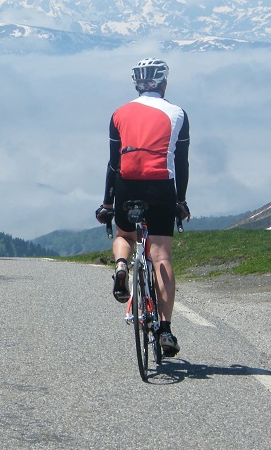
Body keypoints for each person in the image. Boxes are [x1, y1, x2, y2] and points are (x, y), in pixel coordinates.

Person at [95, 57, 190, 357]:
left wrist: (107, 202)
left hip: (127, 184)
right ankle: (165, 329)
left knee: (124, 235)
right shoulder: (177, 114)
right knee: (160, 253)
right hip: (161, 185)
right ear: (163, 83)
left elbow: (113, 163)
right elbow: (182, 163)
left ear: (136, 83)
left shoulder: (119, 114)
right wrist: (180, 201)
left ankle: (122, 266)